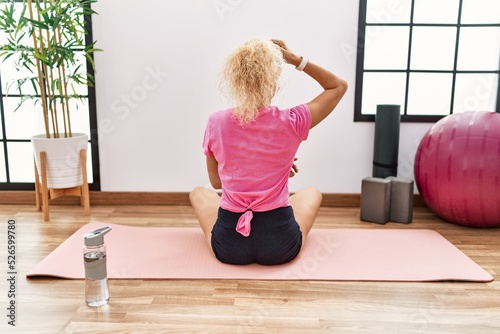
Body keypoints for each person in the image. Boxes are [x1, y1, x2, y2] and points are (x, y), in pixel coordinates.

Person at [189, 38, 348, 265]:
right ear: (273, 82)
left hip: (230, 245)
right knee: (312, 192)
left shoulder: (216, 122)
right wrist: (295, 60)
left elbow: (216, 183)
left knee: (198, 193)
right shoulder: (293, 121)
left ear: (236, 80)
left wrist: (254, 169)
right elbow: (338, 86)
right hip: (280, 245)